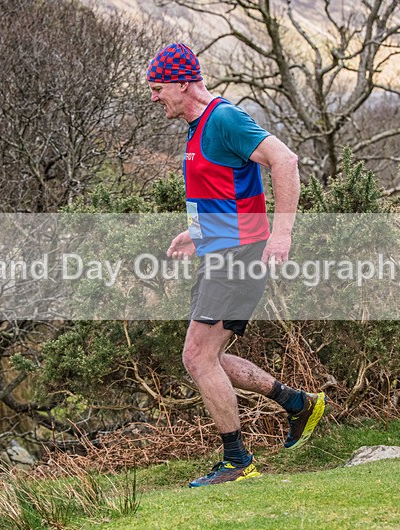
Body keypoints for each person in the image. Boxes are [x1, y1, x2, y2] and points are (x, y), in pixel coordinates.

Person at [147, 43, 327, 487]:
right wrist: (199, 231)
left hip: (239, 258)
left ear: (184, 82)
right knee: (208, 357)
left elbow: (285, 160)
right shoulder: (195, 127)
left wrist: (282, 233)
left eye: (158, 88)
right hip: (219, 253)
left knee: (197, 356)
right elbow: (230, 191)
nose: (154, 98)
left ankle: (238, 461)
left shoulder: (223, 119)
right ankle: (298, 403)